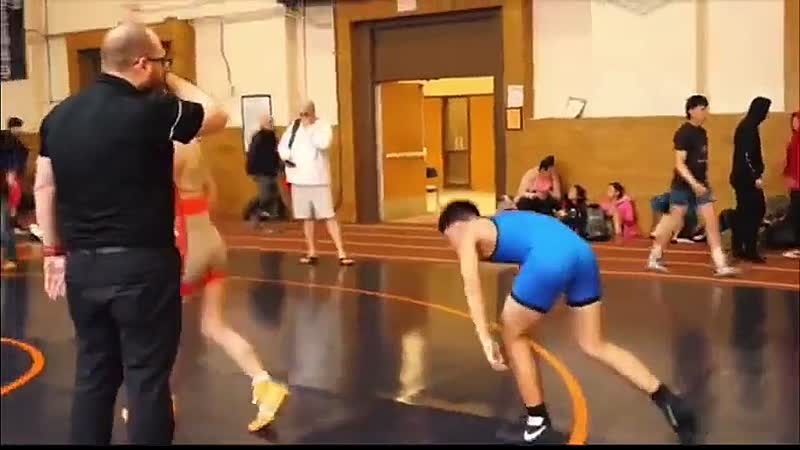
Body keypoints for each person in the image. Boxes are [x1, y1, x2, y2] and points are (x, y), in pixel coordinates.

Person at [34, 22, 228, 444]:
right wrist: (171, 77)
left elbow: (44, 187)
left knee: (93, 376)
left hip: (84, 267)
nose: (162, 69)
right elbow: (216, 113)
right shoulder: (153, 110)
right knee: (147, 379)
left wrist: (53, 252)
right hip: (143, 266)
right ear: (142, 63)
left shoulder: (58, 116)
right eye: (160, 61)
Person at [437, 201, 696, 444]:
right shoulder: (504, 223)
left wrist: (484, 338)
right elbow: (535, 241)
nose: (453, 248)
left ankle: (537, 422)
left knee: (511, 332)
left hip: (550, 257)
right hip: (581, 253)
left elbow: (471, 286)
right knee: (594, 343)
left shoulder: (469, 231)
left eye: (449, 240)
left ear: (456, 225)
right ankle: (667, 399)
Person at [121, 140, 289, 431]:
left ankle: (151, 402)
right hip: (210, 240)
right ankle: (263, 381)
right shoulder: (194, 145)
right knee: (213, 325)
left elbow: (148, 198)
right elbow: (212, 195)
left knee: (158, 330)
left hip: (187, 246)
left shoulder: (167, 146)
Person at [647, 95, 738, 277]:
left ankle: (720, 263)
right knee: (674, 222)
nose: (706, 112)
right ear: (691, 110)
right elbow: (679, 164)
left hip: (701, 184)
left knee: (711, 221)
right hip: (683, 186)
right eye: (702, 108)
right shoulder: (683, 133)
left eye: (706, 108)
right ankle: (654, 257)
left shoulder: (702, 133)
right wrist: (694, 184)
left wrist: (701, 183)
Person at [278, 100, 353, 265]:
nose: (303, 118)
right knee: (307, 217)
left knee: (328, 216)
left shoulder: (322, 126)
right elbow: (283, 146)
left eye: (306, 114)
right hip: (298, 179)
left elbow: (323, 144)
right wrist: (287, 156)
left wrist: (310, 129)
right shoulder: (293, 127)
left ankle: (341, 252)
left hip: (318, 180)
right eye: (300, 114)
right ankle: (311, 251)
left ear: (312, 113)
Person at [730, 97, 771, 262]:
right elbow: (746, 155)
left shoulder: (748, 125)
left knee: (745, 212)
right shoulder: (748, 128)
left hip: (741, 177)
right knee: (755, 211)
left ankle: (739, 246)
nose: (767, 114)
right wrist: (755, 176)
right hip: (745, 178)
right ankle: (749, 249)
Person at [245, 115, 286, 225]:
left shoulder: (273, 136)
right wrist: (252, 170)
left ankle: (274, 216)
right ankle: (251, 211)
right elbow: (253, 155)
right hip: (262, 171)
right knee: (265, 195)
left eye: (271, 122)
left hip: (272, 170)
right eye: (268, 122)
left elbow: (277, 153)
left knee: (273, 193)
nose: (271, 124)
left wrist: (280, 166)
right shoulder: (258, 137)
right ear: (262, 124)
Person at [783, 111, 800, 259]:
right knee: (795, 215)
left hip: (797, 183)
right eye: (793, 121)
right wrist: (787, 174)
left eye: (798, 121)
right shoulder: (794, 139)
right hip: (795, 184)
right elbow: (790, 161)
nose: (795, 124)